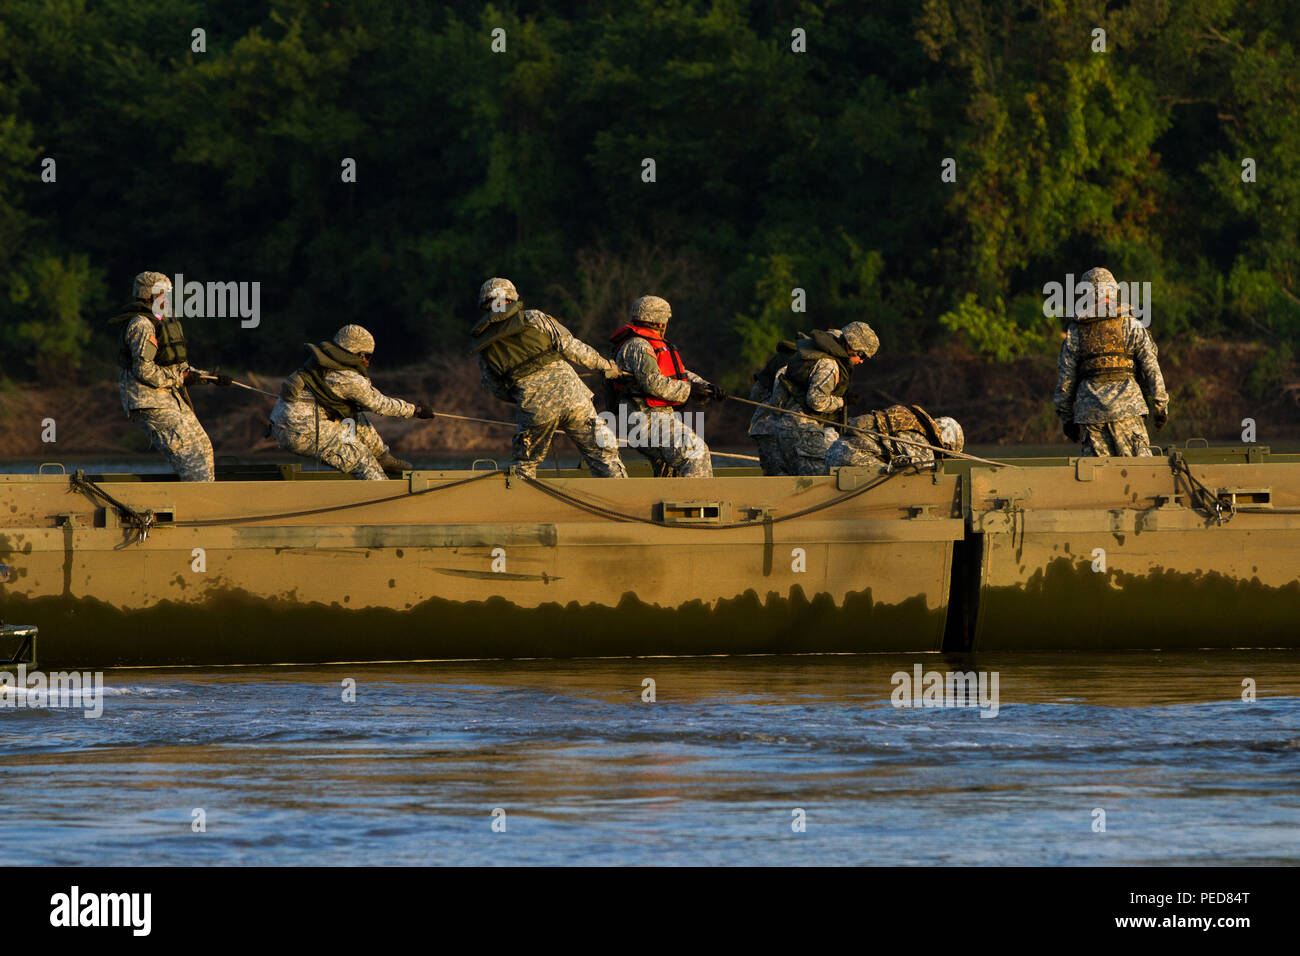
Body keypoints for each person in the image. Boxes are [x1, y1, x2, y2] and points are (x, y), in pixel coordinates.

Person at [472, 277, 627, 478]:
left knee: (524, 466)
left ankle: (519, 505)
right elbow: (573, 348)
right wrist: (606, 366)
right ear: (513, 298)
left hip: (534, 408)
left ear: (485, 305)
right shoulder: (534, 318)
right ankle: (625, 503)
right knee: (604, 456)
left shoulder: (484, 346)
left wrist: (523, 394)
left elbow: (496, 388)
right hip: (575, 398)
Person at [107, 271, 229, 481]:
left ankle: (205, 504)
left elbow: (179, 367)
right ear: (149, 296)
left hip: (169, 397)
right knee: (192, 457)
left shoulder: (162, 321)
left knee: (204, 449)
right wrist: (182, 379)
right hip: (149, 401)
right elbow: (144, 370)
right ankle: (197, 509)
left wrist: (208, 377)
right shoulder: (142, 325)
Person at [269, 324, 432, 480]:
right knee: (361, 457)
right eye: (367, 356)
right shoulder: (347, 378)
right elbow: (379, 404)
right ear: (356, 353)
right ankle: (384, 495)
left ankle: (382, 457)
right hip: (300, 432)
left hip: (289, 426)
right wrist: (415, 411)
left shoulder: (320, 364)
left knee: (354, 415)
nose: (368, 362)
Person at [1055, 266, 1169, 457]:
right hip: (1128, 411)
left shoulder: (1075, 331)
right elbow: (1151, 369)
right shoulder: (1131, 325)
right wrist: (1160, 406)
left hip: (1091, 416)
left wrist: (1066, 418)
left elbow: (1065, 381)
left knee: (1098, 481)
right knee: (1140, 477)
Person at [609, 295, 725, 478]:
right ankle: (696, 503)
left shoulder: (643, 344)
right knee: (696, 453)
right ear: (660, 322)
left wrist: (705, 386)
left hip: (654, 420)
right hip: (645, 420)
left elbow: (678, 374)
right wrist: (690, 390)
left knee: (670, 472)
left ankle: (667, 505)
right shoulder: (639, 346)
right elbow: (653, 382)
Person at [771, 322, 879, 476]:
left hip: (787, 427)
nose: (861, 361)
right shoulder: (829, 365)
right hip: (804, 430)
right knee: (817, 483)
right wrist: (843, 401)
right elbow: (816, 401)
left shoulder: (828, 345)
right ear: (852, 346)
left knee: (792, 478)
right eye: (862, 355)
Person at [827, 405, 964, 471]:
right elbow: (924, 473)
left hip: (836, 445)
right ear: (945, 445)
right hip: (844, 455)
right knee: (891, 474)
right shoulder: (923, 446)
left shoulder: (911, 421)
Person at [747, 340, 797, 475]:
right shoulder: (791, 365)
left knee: (771, 472)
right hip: (774, 428)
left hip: (762, 426)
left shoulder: (775, 362)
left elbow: (754, 394)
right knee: (780, 473)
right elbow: (778, 402)